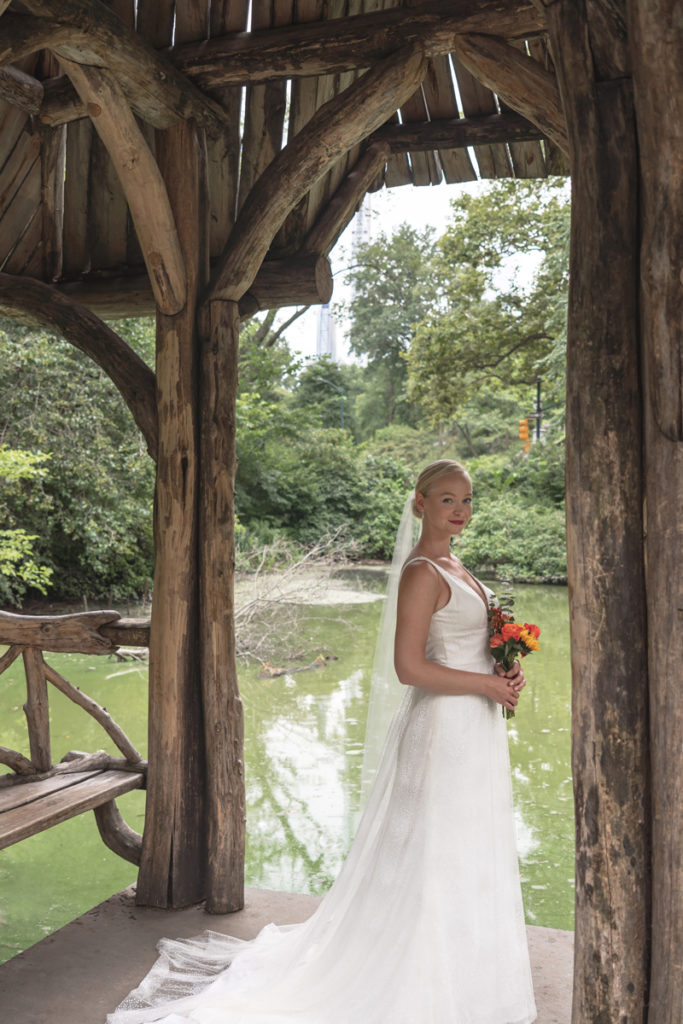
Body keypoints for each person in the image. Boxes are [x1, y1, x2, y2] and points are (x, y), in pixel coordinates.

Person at [108, 459, 537, 1024]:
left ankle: (465, 973)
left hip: (473, 729)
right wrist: (484, 681)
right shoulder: (421, 573)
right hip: (441, 734)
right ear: (420, 503)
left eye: (467, 500)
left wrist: (503, 671)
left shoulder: (458, 566)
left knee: (464, 848)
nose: (459, 510)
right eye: (447, 500)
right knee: (432, 853)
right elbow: (408, 668)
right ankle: (418, 983)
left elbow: (468, 647)